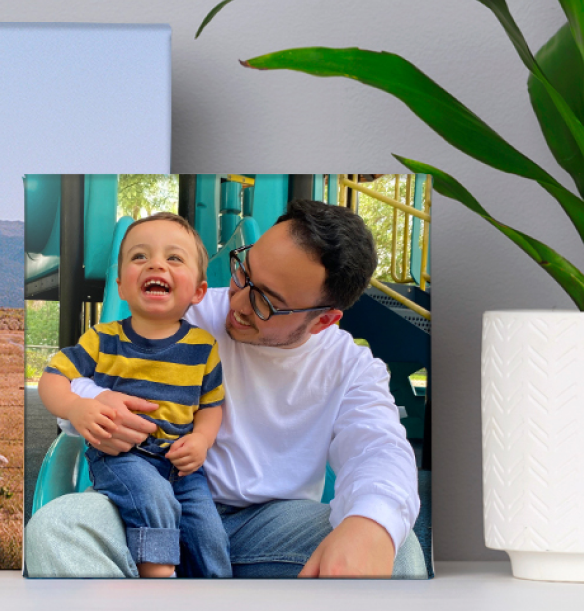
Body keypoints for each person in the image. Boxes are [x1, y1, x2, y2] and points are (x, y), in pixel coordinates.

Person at [27, 199, 426, 579]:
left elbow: (379, 447)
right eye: (243, 272)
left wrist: (372, 523)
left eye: (265, 302)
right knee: (57, 530)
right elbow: (71, 379)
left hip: (269, 526)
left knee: (396, 545)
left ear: (323, 321)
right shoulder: (184, 310)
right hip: (155, 501)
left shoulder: (350, 367)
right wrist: (97, 401)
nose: (237, 302)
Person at [36, 212, 231, 578]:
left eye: (174, 258)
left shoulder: (204, 347)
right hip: (122, 457)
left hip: (182, 467)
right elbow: (52, 378)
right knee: (150, 497)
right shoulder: (103, 338)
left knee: (209, 533)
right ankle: (157, 581)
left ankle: (217, 592)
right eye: (140, 257)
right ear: (121, 285)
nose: (156, 263)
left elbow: (210, 405)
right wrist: (77, 408)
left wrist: (202, 440)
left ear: (198, 292)